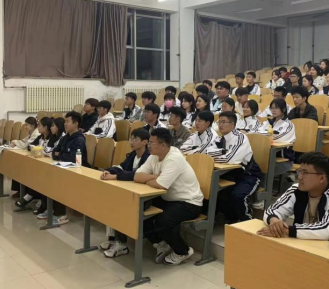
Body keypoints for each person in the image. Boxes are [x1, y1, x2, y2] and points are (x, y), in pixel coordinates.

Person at [134, 128, 204, 265]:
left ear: (163, 145)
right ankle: (161, 243)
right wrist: (155, 177)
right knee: (141, 209)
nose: (148, 145)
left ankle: (182, 251)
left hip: (189, 202)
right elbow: (137, 176)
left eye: (152, 143)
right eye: (149, 142)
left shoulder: (174, 158)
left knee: (163, 221)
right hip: (168, 198)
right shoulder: (154, 155)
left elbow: (161, 185)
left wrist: (149, 179)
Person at [259, 152, 329, 239]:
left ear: (321, 178)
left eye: (305, 173)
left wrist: (287, 230)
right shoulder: (296, 190)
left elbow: (327, 229)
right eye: (299, 171)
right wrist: (274, 221)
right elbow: (271, 210)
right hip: (300, 242)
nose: (299, 177)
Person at [100, 128, 151, 258]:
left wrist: (116, 176)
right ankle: (113, 239)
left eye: (135, 139)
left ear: (145, 142)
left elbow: (137, 174)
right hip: (129, 190)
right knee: (110, 201)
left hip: (145, 196)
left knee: (119, 205)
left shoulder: (149, 157)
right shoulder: (132, 155)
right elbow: (121, 167)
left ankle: (121, 244)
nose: (131, 142)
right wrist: (109, 171)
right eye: (131, 139)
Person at [208, 111, 263, 223]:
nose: (220, 125)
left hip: (249, 174)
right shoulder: (219, 139)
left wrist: (217, 156)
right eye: (219, 122)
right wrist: (223, 151)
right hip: (231, 174)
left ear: (232, 124)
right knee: (217, 193)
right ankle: (231, 218)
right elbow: (208, 153)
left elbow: (229, 159)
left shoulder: (240, 138)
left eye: (224, 122)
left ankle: (247, 222)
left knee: (238, 196)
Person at [34, 117, 67, 219]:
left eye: (53, 126)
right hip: (54, 162)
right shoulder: (53, 137)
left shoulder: (63, 137)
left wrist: (54, 153)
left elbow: (53, 152)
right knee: (44, 178)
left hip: (63, 165)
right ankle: (46, 207)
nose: (51, 128)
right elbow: (50, 151)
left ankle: (56, 211)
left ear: (59, 127)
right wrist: (53, 153)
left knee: (52, 181)